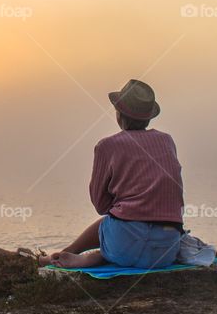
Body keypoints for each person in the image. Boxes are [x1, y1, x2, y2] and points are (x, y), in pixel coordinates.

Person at [40, 79, 185, 269]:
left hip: (124, 246)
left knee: (110, 221)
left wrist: (123, 205)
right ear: (149, 117)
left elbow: (101, 205)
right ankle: (97, 255)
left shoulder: (107, 146)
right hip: (166, 250)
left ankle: (69, 255)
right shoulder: (167, 141)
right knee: (124, 222)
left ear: (119, 114)